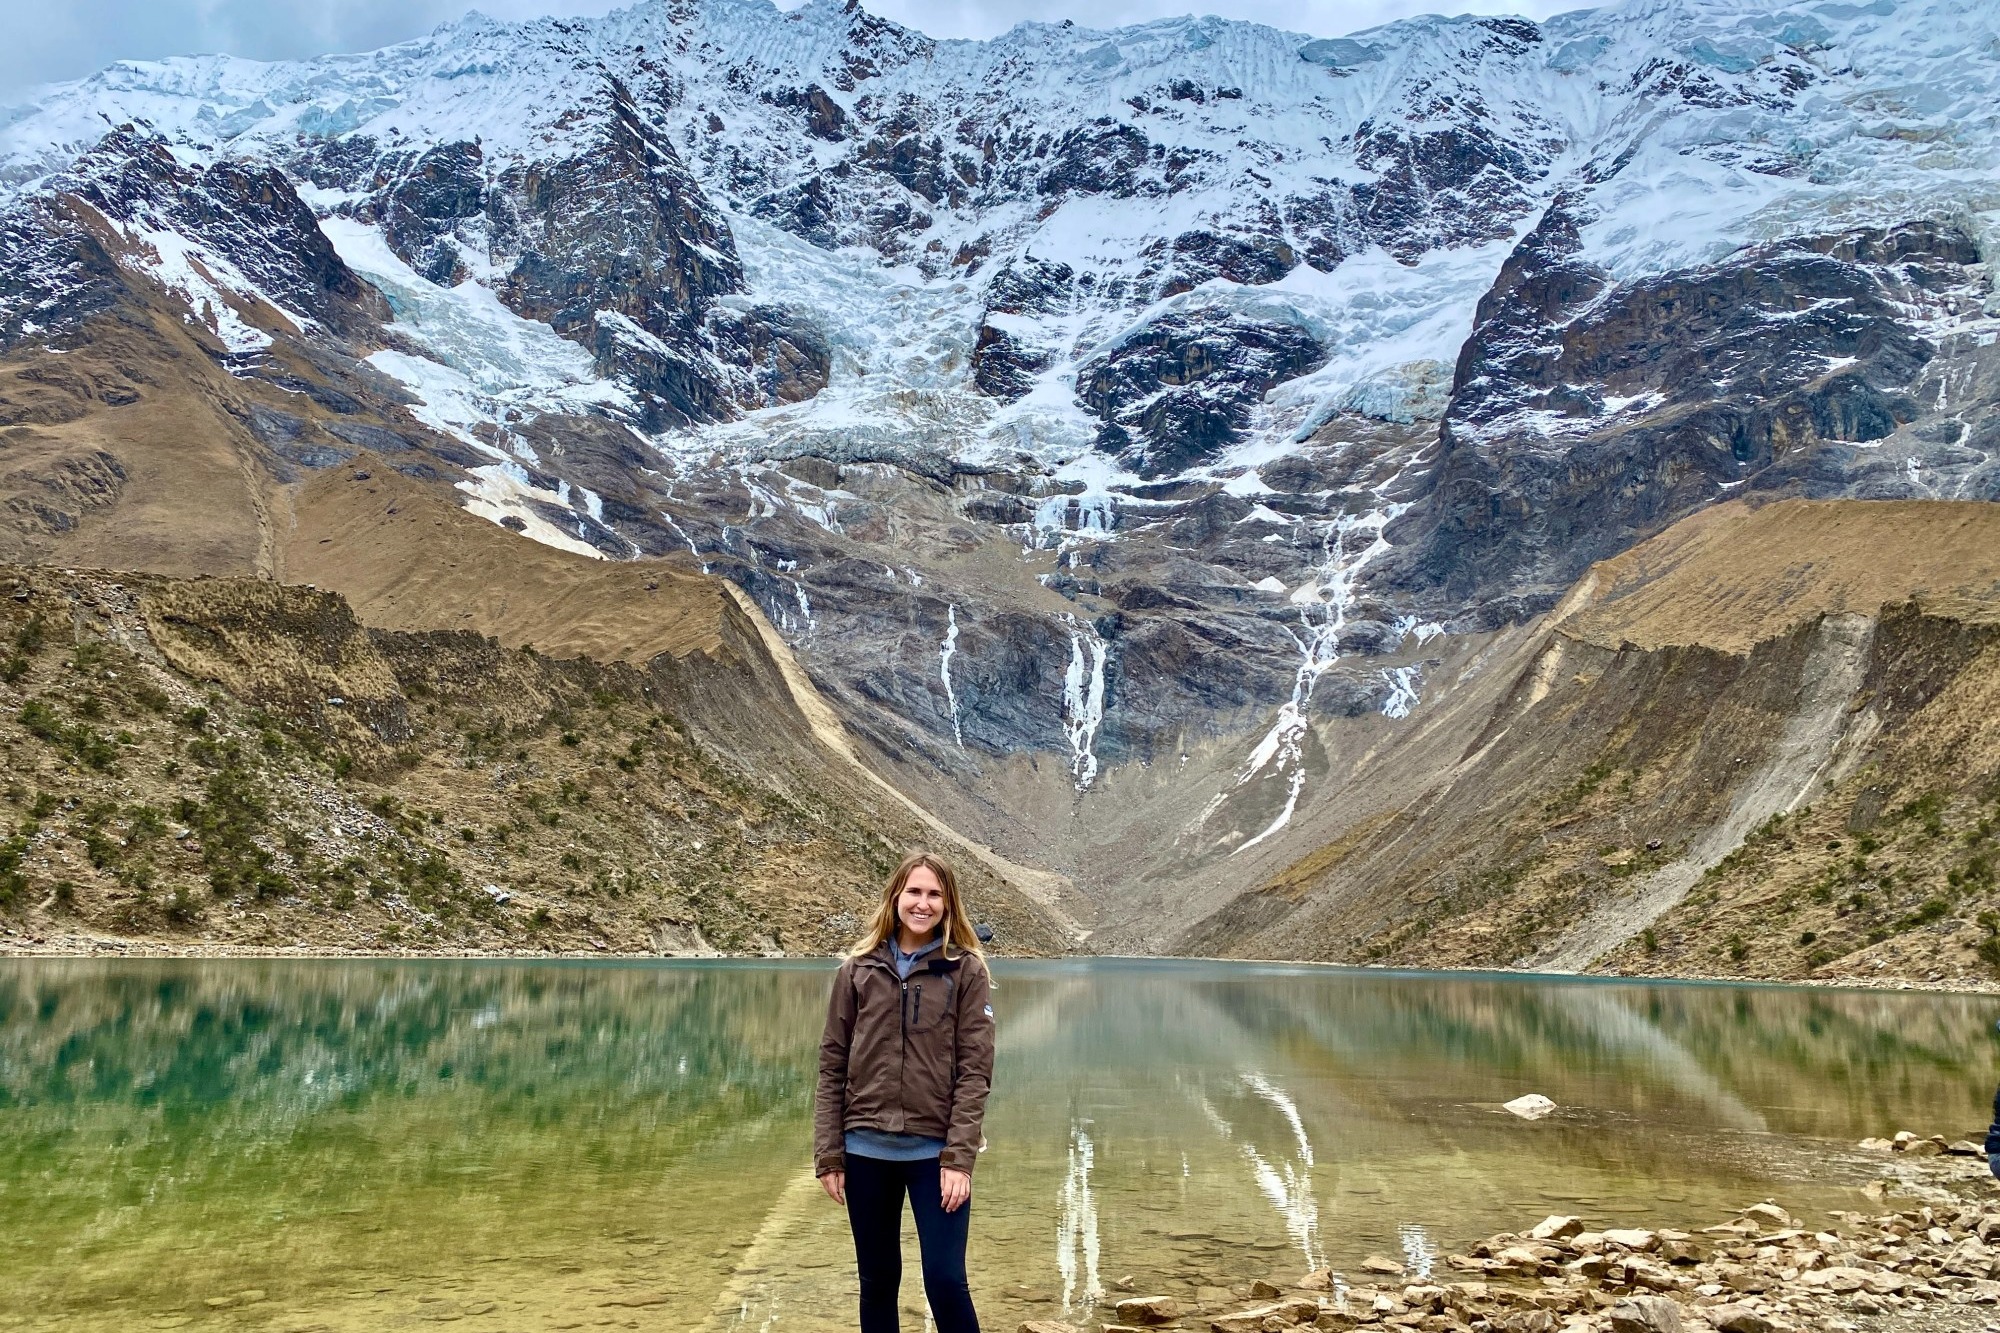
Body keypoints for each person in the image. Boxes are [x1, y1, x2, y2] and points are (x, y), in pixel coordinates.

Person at [815, 851, 995, 1333]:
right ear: (895, 897)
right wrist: (829, 1155)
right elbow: (832, 1064)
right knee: (877, 1281)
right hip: (864, 1149)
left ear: (949, 903)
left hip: (934, 1152)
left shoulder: (966, 971)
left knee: (945, 1280)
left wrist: (959, 1158)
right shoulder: (856, 971)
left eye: (934, 894)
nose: (923, 903)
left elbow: (975, 1072)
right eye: (914, 892)